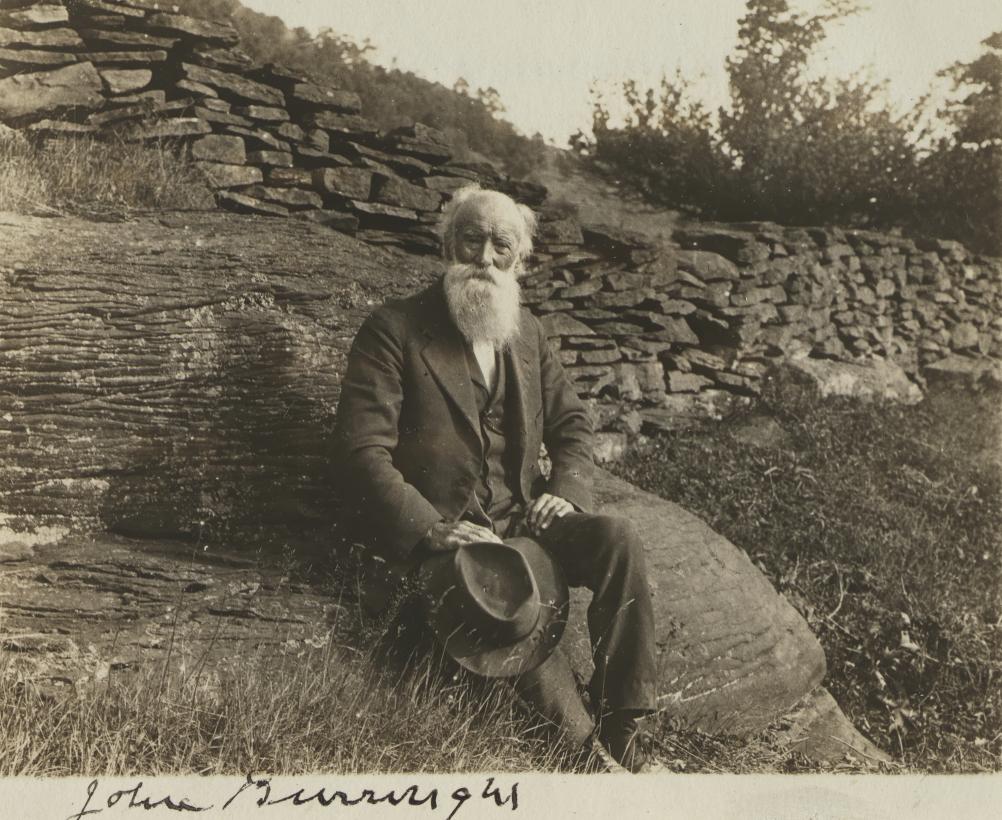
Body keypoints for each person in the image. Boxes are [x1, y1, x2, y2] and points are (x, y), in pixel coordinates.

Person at [333, 185, 659, 772]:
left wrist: (565, 493)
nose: (485, 258)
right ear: (447, 245)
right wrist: (430, 527)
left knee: (619, 540)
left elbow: (573, 425)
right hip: (446, 537)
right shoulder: (394, 328)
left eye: (501, 246)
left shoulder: (527, 332)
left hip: (521, 517)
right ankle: (587, 757)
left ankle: (625, 726)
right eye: (472, 239)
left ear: (519, 260)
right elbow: (361, 451)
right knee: (516, 607)